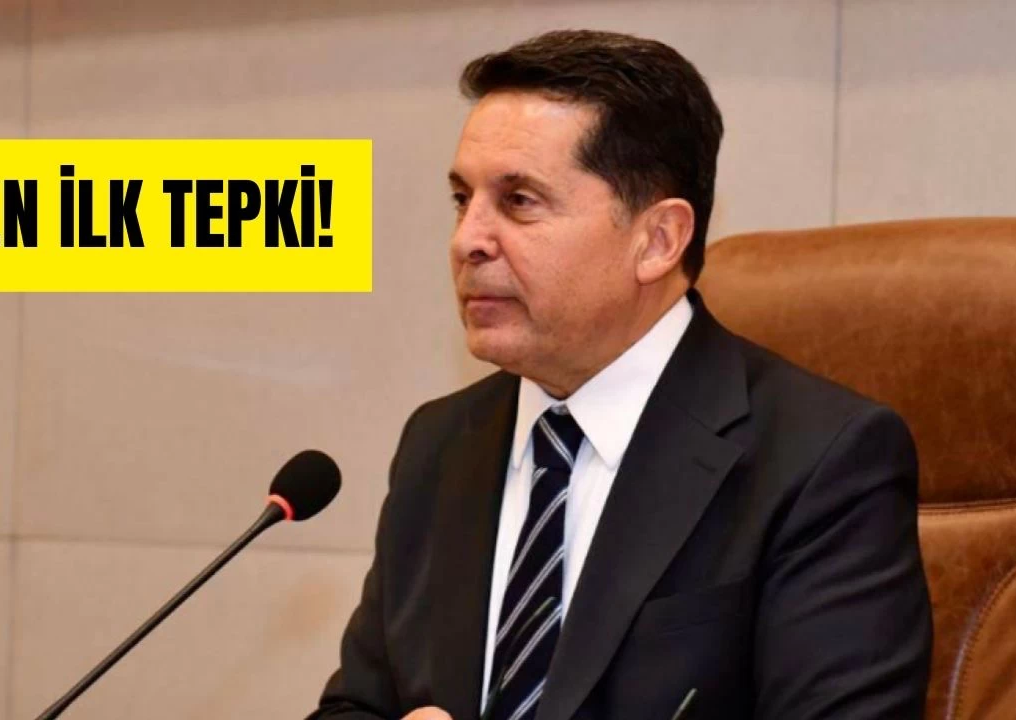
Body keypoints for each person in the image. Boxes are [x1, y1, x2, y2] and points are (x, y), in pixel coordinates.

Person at [309, 29, 932, 720]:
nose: (467, 240)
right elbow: (356, 705)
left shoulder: (821, 463)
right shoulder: (438, 444)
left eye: (519, 201)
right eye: (463, 200)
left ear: (657, 241)